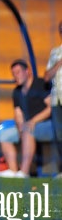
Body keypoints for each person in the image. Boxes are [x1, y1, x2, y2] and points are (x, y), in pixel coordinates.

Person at [0, 60, 54, 178]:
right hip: (28, 127)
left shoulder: (40, 84)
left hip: (47, 125)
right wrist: (20, 126)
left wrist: (33, 121)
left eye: (18, 72)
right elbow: (18, 113)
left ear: (27, 71)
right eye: (14, 73)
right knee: (4, 135)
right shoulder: (17, 91)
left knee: (28, 129)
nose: (16, 76)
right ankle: (13, 170)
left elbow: (50, 108)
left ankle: (24, 172)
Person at [45, 21, 62, 178]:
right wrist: (59, 64)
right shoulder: (55, 52)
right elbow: (47, 76)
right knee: (59, 136)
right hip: (57, 99)